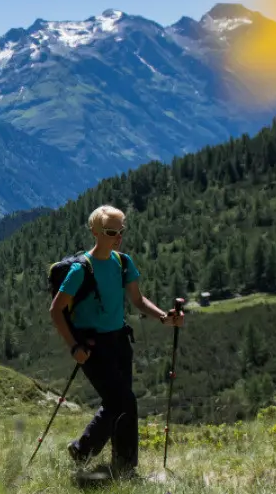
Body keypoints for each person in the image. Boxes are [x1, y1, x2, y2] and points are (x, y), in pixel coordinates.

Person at [48, 204, 183, 476]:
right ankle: (100, 456)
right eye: (111, 232)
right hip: (92, 347)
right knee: (123, 401)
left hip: (120, 342)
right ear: (95, 232)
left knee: (119, 402)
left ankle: (114, 463)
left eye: (121, 231)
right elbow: (56, 310)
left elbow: (138, 300)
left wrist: (163, 317)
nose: (118, 237)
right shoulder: (80, 270)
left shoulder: (123, 263)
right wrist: (74, 346)